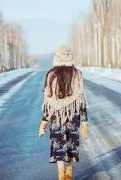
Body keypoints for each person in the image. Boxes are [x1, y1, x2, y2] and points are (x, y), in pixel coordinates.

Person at [38, 45, 88, 180]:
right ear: (70, 57)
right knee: (71, 145)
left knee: (59, 146)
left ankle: (61, 176)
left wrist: (44, 121)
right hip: (73, 116)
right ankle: (69, 174)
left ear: (56, 58)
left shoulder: (51, 75)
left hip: (56, 117)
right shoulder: (77, 74)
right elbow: (81, 100)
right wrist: (84, 122)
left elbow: (48, 101)